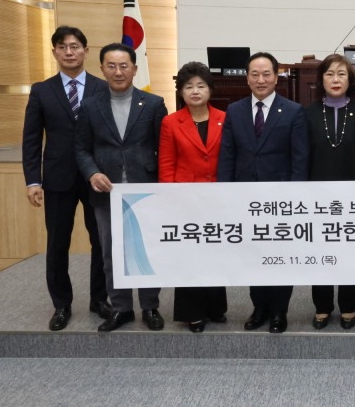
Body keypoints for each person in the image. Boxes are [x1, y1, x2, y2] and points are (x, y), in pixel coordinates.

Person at [22, 26, 112, 331]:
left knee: (100, 241)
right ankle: (61, 304)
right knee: (57, 243)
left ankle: (99, 299)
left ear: (86, 50)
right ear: (54, 53)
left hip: (97, 177)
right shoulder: (42, 90)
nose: (69, 52)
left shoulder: (103, 88)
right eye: (62, 47)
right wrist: (33, 180)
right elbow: (31, 139)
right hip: (57, 178)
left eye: (74, 46)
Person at [75, 43, 168, 332]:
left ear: (135, 69)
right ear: (102, 69)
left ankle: (150, 306)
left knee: (146, 248)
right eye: (112, 66)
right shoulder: (90, 106)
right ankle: (121, 308)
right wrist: (92, 173)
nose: (118, 72)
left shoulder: (153, 104)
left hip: (145, 190)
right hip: (107, 192)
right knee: (111, 252)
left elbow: (163, 148)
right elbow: (81, 148)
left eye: (124, 66)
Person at [217, 52, 309, 334]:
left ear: (276, 77)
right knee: (253, 253)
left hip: (281, 199)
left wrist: (294, 197)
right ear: (247, 78)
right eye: (254, 74)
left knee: (280, 255)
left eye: (266, 74)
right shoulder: (235, 110)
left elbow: (300, 159)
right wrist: (225, 193)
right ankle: (259, 308)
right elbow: (228, 155)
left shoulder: (293, 111)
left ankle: (279, 311)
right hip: (245, 197)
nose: (260, 80)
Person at [159, 62, 228, 333]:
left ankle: (216, 308)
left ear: (210, 90)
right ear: (181, 92)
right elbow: (167, 163)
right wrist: (170, 198)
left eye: (201, 86)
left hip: (217, 197)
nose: (195, 91)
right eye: (189, 87)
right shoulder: (171, 122)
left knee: (215, 251)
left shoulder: (224, 118)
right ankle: (193, 312)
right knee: (189, 255)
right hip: (185, 199)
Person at [304, 54, 355, 330]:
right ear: (321, 80)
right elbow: (302, 157)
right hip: (317, 198)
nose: (336, 79)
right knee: (321, 252)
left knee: (350, 253)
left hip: (353, 198)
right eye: (330, 74)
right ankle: (322, 307)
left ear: (350, 80)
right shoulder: (307, 113)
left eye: (341, 74)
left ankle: (348, 307)